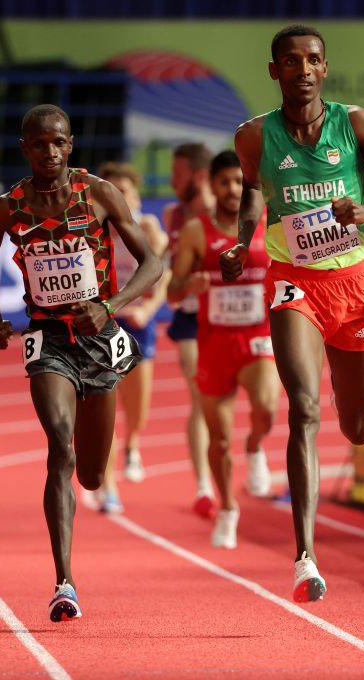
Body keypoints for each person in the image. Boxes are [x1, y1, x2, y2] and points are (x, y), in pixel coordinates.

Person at [220, 25, 364, 602]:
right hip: (295, 284)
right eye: (290, 61)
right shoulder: (253, 137)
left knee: (358, 426)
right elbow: (252, 194)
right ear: (274, 72)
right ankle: (305, 556)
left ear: (325, 67)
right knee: (303, 408)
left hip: (355, 285)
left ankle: (347, 412)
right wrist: (243, 241)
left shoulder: (355, 124)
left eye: (312, 60)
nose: (302, 69)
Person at [0, 104, 163, 622]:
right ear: (24, 149)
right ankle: (64, 581)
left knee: (95, 476)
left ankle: (92, 482)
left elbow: (153, 262)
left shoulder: (98, 193)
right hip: (48, 338)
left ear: (70, 144)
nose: (49, 152)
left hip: (99, 337)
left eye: (57, 142)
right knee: (61, 443)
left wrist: (113, 304)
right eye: (38, 144)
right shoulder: (8, 207)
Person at [169, 150, 279, 549]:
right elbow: (172, 290)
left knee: (267, 406)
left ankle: (255, 446)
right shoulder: (198, 231)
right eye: (224, 183)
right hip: (214, 342)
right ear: (211, 187)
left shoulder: (270, 221)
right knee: (218, 438)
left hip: (257, 335)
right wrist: (190, 286)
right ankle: (229, 507)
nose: (233, 189)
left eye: (240, 182)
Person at [75, 161, 169, 514]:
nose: (116, 198)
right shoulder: (91, 230)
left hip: (139, 323)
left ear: (135, 196)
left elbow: (163, 275)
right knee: (107, 405)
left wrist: (148, 309)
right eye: (108, 192)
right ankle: (110, 488)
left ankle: (133, 444)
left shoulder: (146, 227)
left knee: (137, 408)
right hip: (104, 326)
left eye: (123, 192)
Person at [163, 143, 217, 518]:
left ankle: (256, 452)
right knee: (200, 397)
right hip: (190, 318)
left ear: (199, 177)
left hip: (233, 319)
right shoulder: (172, 215)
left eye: (178, 175)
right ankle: (203, 485)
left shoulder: (227, 213)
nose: (170, 181)